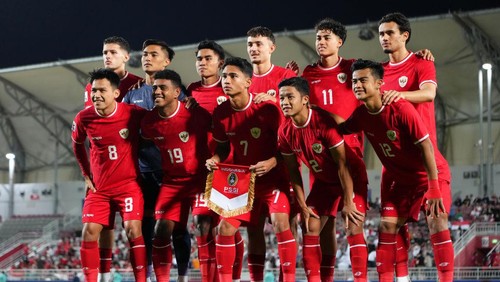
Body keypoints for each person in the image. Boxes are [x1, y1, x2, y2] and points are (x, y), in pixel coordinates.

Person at [337, 59, 454, 282]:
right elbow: (339, 128)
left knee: (436, 220)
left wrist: (434, 187)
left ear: (380, 83)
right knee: (387, 225)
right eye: (354, 81)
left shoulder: (401, 108)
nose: (357, 85)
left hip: (429, 174)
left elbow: (426, 147)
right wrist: (310, 112)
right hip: (398, 180)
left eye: (363, 80)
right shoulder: (361, 115)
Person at [206, 57, 297, 282]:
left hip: (273, 179)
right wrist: (215, 158)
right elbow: (223, 146)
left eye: (233, 76)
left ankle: (290, 279)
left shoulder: (268, 109)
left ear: (248, 82)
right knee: (226, 229)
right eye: (224, 76)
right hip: (243, 183)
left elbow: (289, 145)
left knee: (280, 222)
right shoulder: (221, 113)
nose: (226, 80)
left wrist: (272, 162)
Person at [278, 77, 368, 282]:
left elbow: (343, 165)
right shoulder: (284, 132)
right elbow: (293, 171)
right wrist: (301, 204)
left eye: (290, 97)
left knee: (353, 226)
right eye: (282, 97)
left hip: (350, 176)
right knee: (309, 225)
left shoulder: (323, 123)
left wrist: (348, 201)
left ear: (305, 100)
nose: (284, 102)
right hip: (323, 183)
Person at [300, 18, 366, 281]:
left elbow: (383, 72)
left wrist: (417, 54)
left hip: (350, 155)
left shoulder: (352, 68)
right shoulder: (308, 73)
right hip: (321, 159)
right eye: (318, 37)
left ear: (340, 41)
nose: (321, 42)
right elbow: (293, 98)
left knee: (354, 224)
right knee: (322, 227)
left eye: (326, 37)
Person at [122, 39, 190, 281]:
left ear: (167, 61)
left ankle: (182, 275)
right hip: (145, 173)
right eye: (144, 54)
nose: (146, 57)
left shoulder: (180, 94)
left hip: (174, 173)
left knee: (179, 229)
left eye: (153, 54)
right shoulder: (133, 95)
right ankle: (150, 276)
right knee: (149, 228)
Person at [378, 12, 439, 281]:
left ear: (405, 35)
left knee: (437, 221)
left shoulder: (421, 62)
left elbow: (429, 93)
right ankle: (401, 278)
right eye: (381, 34)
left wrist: (398, 94)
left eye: (390, 33)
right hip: (392, 161)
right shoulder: (377, 73)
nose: (384, 38)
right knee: (391, 223)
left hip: (423, 158)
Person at [72, 69, 147, 282]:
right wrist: (86, 174)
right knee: (89, 232)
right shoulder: (84, 118)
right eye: (93, 90)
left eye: (101, 90)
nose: (96, 95)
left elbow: (161, 118)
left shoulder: (134, 113)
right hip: (99, 189)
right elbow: (77, 144)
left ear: (115, 93)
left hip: (128, 186)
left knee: (133, 229)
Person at [140, 69, 213, 282]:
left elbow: (220, 138)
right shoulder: (149, 122)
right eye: (154, 88)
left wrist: (215, 159)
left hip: (199, 180)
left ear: (176, 92)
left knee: (202, 224)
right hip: (172, 182)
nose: (157, 91)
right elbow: (144, 142)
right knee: (160, 229)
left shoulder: (196, 114)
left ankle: (208, 278)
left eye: (163, 87)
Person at [186, 40, 244, 282]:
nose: (202, 63)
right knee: (201, 225)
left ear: (220, 62)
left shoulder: (229, 87)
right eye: (199, 58)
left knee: (226, 230)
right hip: (200, 169)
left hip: (229, 168)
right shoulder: (190, 91)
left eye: (208, 58)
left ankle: (233, 277)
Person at [246, 26, 298, 281]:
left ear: (271, 47)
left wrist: (275, 99)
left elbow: (296, 119)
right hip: (249, 171)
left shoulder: (286, 76)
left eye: (258, 43)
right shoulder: (242, 79)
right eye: (250, 44)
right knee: (253, 229)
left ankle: (287, 277)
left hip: (281, 168)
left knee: (285, 223)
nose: (254, 48)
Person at [84, 36, 142, 109]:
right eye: (105, 53)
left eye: (113, 52)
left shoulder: (139, 84)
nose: (107, 56)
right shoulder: (92, 86)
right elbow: (90, 116)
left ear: (126, 57)